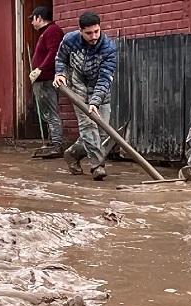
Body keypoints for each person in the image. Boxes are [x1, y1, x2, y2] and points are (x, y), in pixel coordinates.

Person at [54, 11, 117, 180]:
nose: (94, 36)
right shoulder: (70, 40)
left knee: (102, 132)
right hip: (78, 85)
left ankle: (73, 154)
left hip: (99, 88)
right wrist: (60, 74)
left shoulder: (108, 48)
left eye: (96, 31)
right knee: (88, 126)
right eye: (89, 33)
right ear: (80, 30)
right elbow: (61, 59)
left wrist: (96, 101)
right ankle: (97, 165)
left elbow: (105, 78)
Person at [28, 6, 64, 158]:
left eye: (33, 19)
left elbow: (54, 52)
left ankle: (56, 144)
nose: (32, 23)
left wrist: (40, 69)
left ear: (39, 18)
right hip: (42, 79)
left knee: (50, 112)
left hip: (46, 79)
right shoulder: (46, 33)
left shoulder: (52, 31)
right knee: (46, 112)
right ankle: (52, 142)